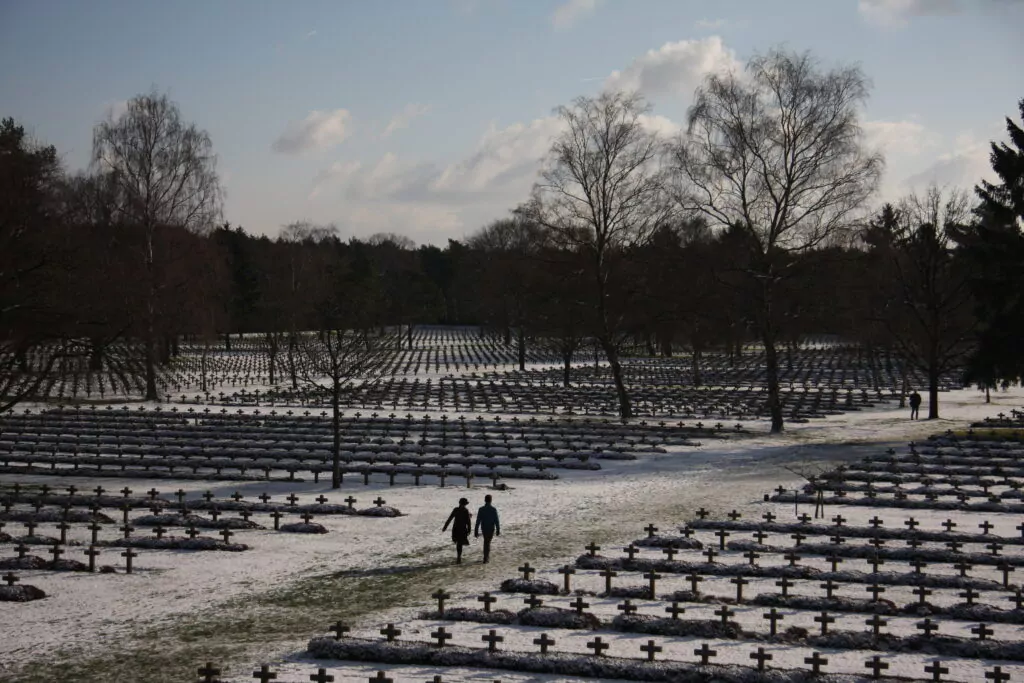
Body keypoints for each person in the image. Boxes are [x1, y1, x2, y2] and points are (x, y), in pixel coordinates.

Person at [442, 498, 472, 564]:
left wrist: (445, 527)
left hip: (456, 529)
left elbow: (450, 518)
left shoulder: (456, 510)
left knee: (458, 543)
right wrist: (469, 529)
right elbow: (468, 522)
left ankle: (458, 557)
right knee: (460, 544)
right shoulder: (465, 510)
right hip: (462, 529)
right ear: (465, 504)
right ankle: (459, 557)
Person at [474, 494, 501, 563]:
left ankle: (486, 557)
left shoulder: (481, 509)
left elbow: (478, 521)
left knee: (486, 542)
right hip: (491, 528)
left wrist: (476, 530)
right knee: (487, 542)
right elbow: (496, 520)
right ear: (491, 500)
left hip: (484, 528)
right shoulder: (493, 509)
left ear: (485, 500)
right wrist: (498, 529)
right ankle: (486, 557)